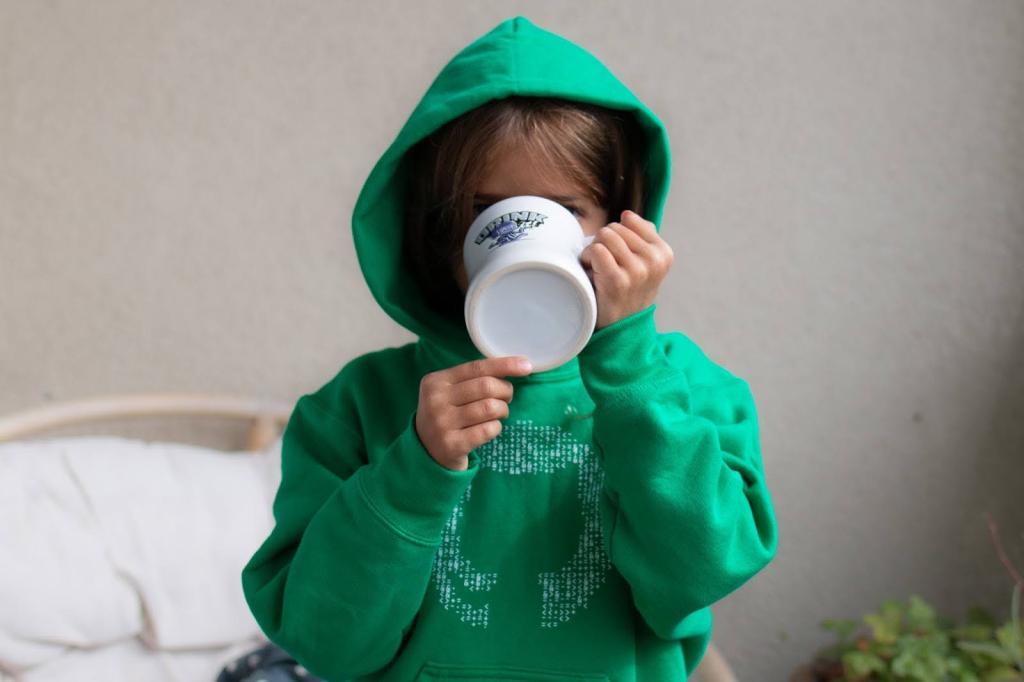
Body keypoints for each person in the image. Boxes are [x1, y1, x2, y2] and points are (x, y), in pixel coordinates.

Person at [240, 15, 779, 681]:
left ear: (619, 224)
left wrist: (631, 369)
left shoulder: (685, 389)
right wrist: (414, 469)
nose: (520, 239)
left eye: (563, 210)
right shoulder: (357, 407)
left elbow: (701, 572)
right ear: (436, 229)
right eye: (484, 212)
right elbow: (326, 641)